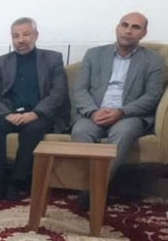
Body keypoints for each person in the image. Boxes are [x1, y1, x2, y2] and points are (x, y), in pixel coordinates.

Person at [70, 12, 164, 211]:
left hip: (128, 115)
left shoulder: (153, 59)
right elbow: (80, 89)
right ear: (117, 27)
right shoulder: (94, 54)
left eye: (135, 27)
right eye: (125, 25)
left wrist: (121, 111)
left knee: (123, 133)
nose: (128, 31)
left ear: (144, 33)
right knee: (80, 131)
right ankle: (90, 189)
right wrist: (92, 112)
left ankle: (91, 192)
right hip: (94, 113)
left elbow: (152, 95)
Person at [0, 18, 69, 201]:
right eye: (16, 36)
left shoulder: (53, 59)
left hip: (39, 113)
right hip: (10, 113)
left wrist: (35, 113)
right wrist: (7, 115)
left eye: (26, 34)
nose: (20, 40)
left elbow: (58, 93)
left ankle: (17, 181)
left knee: (33, 130)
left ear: (36, 35)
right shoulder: (0, 62)